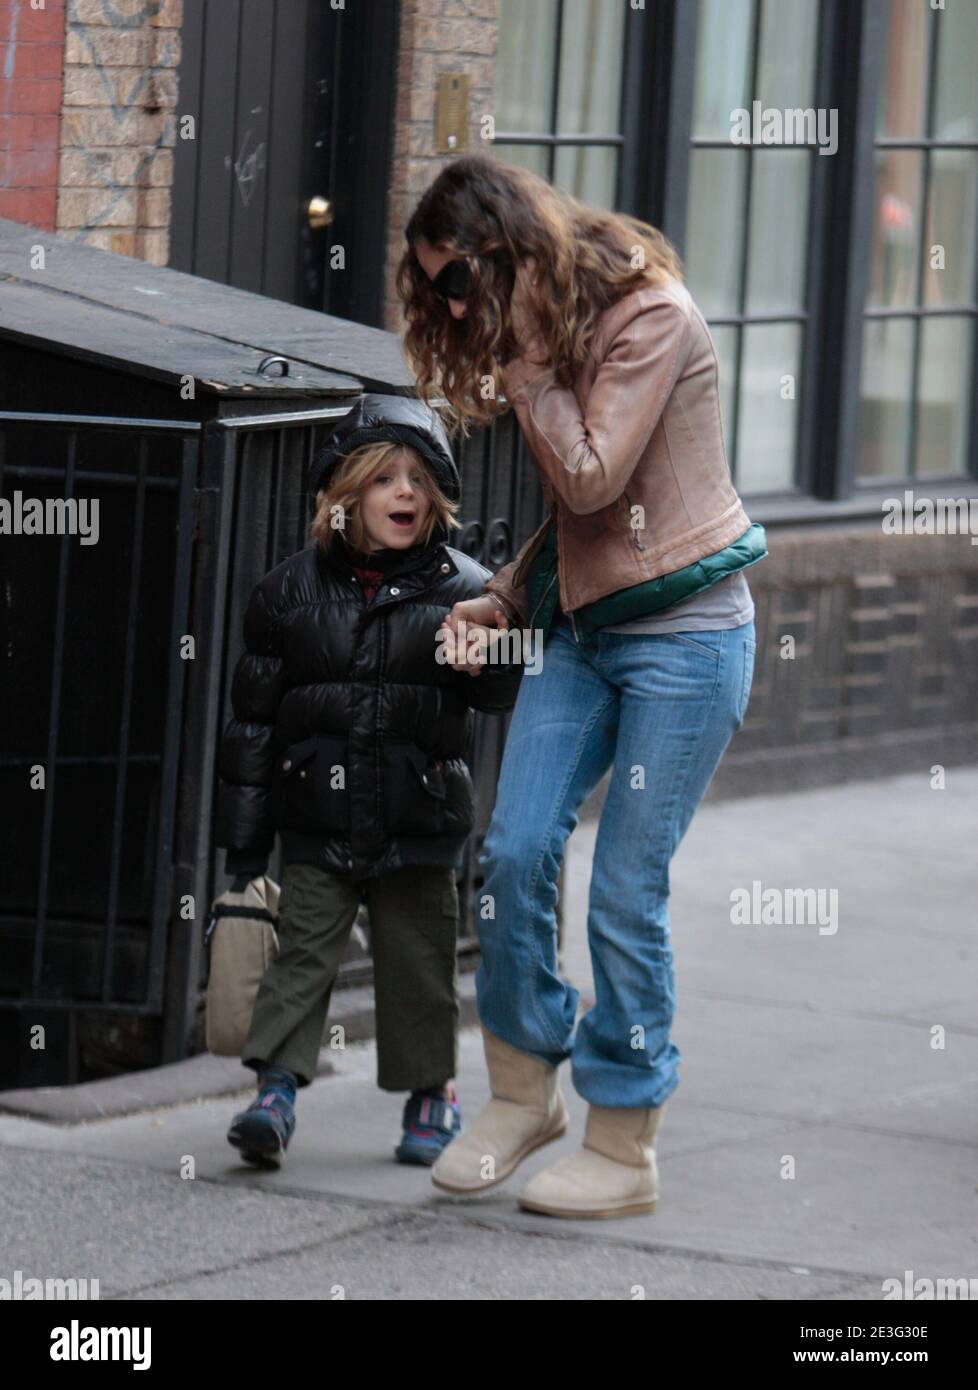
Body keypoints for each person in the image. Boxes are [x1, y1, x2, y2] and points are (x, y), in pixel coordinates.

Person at [395, 153, 766, 1218]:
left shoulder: (648, 317)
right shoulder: (548, 327)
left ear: (512, 250)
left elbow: (597, 474)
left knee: (624, 893)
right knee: (511, 849)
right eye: (439, 290)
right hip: (585, 630)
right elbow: (585, 524)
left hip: (687, 643)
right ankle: (521, 1091)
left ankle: (623, 1137)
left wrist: (521, 364)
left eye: (461, 280)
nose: (455, 306)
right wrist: (505, 602)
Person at [213, 392, 522, 1169]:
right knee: (302, 955)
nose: (406, 495)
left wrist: (495, 652)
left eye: (418, 481)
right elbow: (251, 724)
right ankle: (274, 1094)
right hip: (317, 812)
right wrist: (246, 852)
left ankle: (431, 1094)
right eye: (385, 480)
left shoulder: (468, 589)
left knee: (419, 960)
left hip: (419, 817)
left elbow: (512, 684)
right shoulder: (288, 592)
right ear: (346, 494)